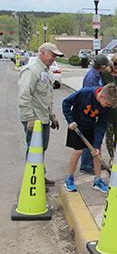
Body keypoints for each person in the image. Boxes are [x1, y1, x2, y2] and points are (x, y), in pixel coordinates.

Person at [17, 42, 64, 188]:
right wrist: (29, 117)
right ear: (42, 53)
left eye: (55, 56)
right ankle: (32, 181)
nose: (53, 58)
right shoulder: (32, 70)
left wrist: (51, 116)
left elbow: (45, 97)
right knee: (33, 150)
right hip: (34, 118)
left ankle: (39, 176)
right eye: (52, 55)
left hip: (43, 118)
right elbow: (24, 96)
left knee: (41, 148)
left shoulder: (45, 71)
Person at [62, 83, 117, 193]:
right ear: (102, 96)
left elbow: (102, 125)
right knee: (78, 151)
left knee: (97, 152)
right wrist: (70, 120)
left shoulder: (106, 107)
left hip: (91, 126)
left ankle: (97, 180)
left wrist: (97, 145)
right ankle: (69, 178)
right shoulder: (85, 93)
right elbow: (66, 103)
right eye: (107, 104)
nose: (107, 106)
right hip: (76, 125)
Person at [80, 54, 110, 175]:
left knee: (93, 138)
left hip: (94, 110)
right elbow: (89, 96)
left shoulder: (99, 75)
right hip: (89, 111)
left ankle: (93, 162)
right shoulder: (91, 77)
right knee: (89, 138)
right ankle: (86, 164)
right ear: (101, 66)